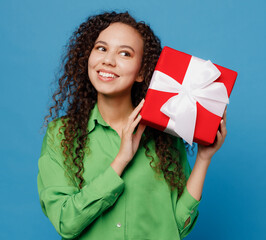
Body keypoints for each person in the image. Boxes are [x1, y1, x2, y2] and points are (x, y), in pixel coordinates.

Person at [37, 11, 227, 240]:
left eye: (125, 53)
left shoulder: (166, 133)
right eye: (101, 48)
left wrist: (204, 158)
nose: (108, 60)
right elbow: (65, 222)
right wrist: (121, 161)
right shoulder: (61, 135)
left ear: (142, 72)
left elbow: (178, 226)